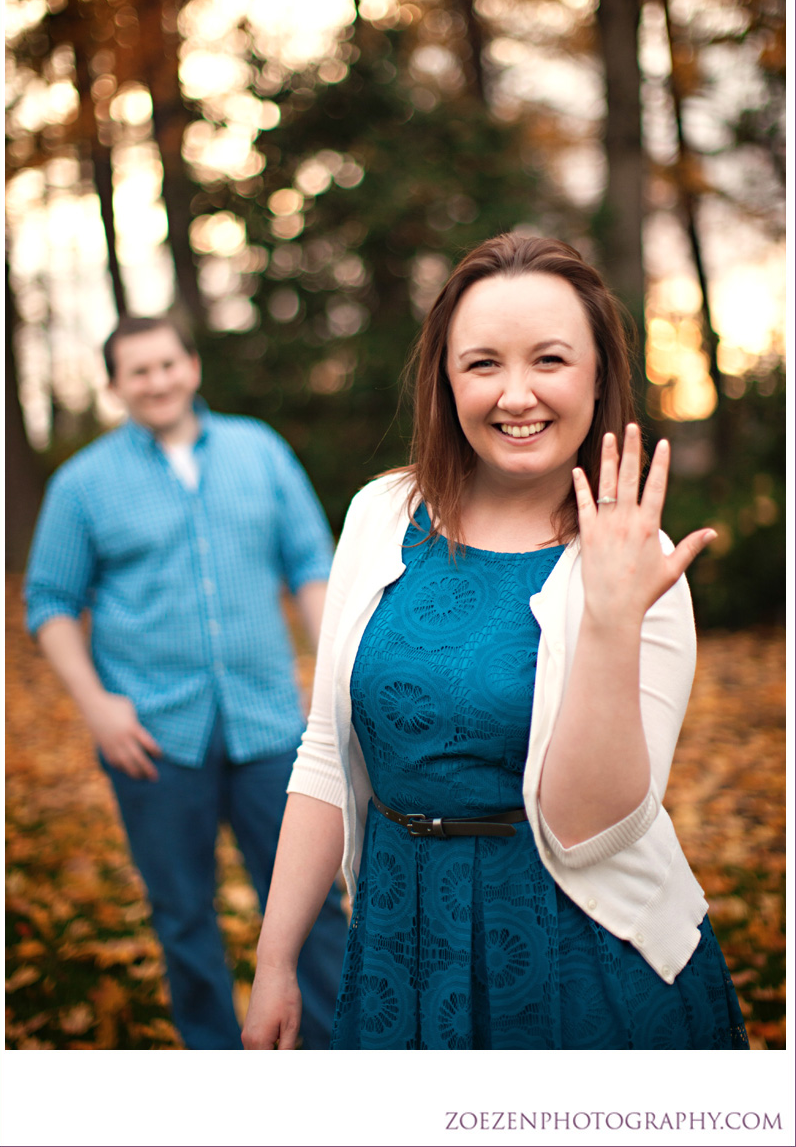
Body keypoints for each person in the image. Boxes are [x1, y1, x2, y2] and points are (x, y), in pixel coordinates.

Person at [242, 233, 749, 1051]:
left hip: (581, 954)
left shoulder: (638, 561)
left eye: (550, 359)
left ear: (596, 375)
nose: (517, 395)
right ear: (447, 378)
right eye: (483, 364)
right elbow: (328, 750)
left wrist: (613, 620)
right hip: (399, 937)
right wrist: (275, 959)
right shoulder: (381, 514)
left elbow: (589, 827)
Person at [24, 314, 348, 1050]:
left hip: (271, 726)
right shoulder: (84, 485)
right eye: (137, 371)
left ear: (192, 366)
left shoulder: (259, 452)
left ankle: (334, 1055)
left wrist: (328, 674)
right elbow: (49, 600)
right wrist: (96, 706)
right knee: (182, 914)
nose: (157, 380)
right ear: (115, 387)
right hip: (152, 736)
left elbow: (309, 563)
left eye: (167, 363)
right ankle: (210, 1064)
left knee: (311, 905)